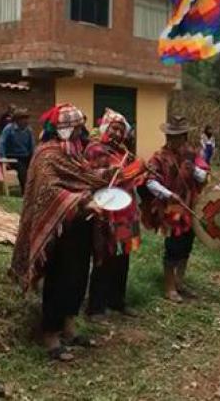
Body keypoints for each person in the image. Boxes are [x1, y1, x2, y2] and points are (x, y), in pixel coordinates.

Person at [11, 103, 110, 362]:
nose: (81, 132)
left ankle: (69, 327)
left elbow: (84, 175)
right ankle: (50, 334)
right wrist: (81, 201)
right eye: (77, 128)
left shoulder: (73, 153)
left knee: (78, 277)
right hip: (57, 230)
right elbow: (49, 191)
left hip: (80, 227)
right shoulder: (47, 154)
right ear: (64, 129)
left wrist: (111, 175)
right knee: (59, 279)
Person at [141, 115, 209, 303]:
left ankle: (180, 281)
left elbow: (203, 177)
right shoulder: (158, 157)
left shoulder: (192, 155)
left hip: (190, 206)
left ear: (185, 137)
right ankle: (169, 287)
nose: (174, 140)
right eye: (171, 136)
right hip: (171, 209)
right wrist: (167, 194)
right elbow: (150, 181)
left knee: (186, 246)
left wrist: (193, 168)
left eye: (178, 136)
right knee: (173, 247)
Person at [85, 109, 143, 321]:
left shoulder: (123, 152)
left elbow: (130, 177)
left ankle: (117, 300)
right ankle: (96, 307)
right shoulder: (94, 149)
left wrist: (138, 170)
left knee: (123, 257)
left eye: (121, 129)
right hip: (106, 213)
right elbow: (93, 176)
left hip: (126, 213)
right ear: (104, 129)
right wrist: (119, 171)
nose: (117, 133)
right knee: (104, 258)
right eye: (113, 128)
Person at [0, 108, 35, 193]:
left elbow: (32, 146)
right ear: (17, 120)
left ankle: (35, 191)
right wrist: (3, 158)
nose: (26, 121)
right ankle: (25, 192)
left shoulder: (28, 130)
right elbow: (1, 144)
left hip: (25, 156)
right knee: (22, 169)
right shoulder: (9, 129)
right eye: (23, 118)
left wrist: (34, 159)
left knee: (37, 168)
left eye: (27, 118)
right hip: (12, 156)